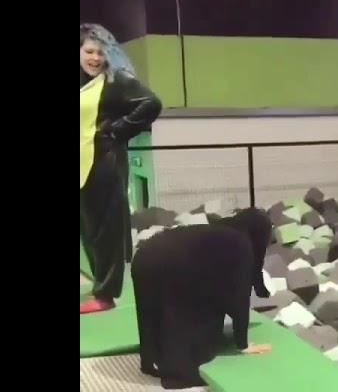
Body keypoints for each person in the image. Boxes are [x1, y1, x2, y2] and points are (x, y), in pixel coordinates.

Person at [131, 207, 273, 390]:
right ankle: (178, 373)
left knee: (149, 310)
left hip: (144, 255)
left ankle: (149, 360)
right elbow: (240, 297)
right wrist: (243, 344)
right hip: (166, 263)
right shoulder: (241, 244)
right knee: (190, 319)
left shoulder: (218, 232)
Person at [80, 23, 162, 314]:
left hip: (105, 164)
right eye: (89, 51)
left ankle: (105, 295)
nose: (95, 58)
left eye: (101, 53)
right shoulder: (85, 84)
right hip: (84, 165)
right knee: (88, 231)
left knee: (106, 231)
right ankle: (99, 285)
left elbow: (151, 103)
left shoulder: (116, 80)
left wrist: (117, 130)